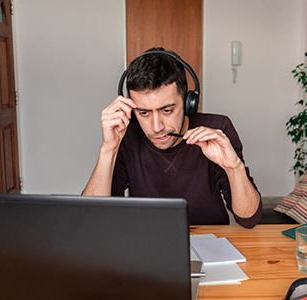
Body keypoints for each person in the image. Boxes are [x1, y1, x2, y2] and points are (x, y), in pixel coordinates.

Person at [83, 47, 262, 228]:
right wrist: (108, 149)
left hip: (211, 245)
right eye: (144, 113)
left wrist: (234, 167)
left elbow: (249, 219)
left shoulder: (217, 130)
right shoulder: (126, 136)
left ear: (188, 102)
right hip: (146, 243)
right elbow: (91, 219)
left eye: (167, 110)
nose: (156, 127)